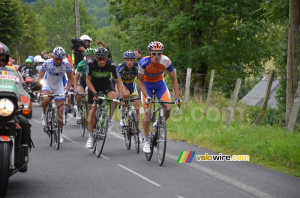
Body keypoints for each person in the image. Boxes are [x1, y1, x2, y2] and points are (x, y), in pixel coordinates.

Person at [138, 41, 180, 153]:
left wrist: (177, 98)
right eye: (154, 54)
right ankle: (146, 139)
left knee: (168, 108)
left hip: (159, 84)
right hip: (146, 85)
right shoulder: (143, 63)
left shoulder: (166, 61)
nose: (156, 56)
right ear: (149, 53)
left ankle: (158, 123)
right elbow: (140, 82)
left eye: (159, 53)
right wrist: (146, 96)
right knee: (147, 110)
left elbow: (174, 80)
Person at [85, 47, 123, 148]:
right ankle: (90, 137)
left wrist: (121, 96)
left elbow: (118, 81)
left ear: (107, 58)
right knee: (92, 110)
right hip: (93, 85)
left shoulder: (111, 65)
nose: (102, 61)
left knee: (114, 98)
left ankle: (108, 119)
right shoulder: (91, 63)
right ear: (96, 58)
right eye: (100, 59)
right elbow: (88, 81)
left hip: (106, 83)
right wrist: (94, 93)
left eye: (104, 59)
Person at [0, 42, 32, 161]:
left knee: (24, 123)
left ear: (7, 59)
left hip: (10, 109)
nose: (1, 63)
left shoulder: (13, 73)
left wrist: (27, 95)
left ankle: (22, 152)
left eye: (3, 60)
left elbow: (21, 88)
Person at [36, 46, 74, 143]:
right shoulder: (47, 63)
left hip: (59, 85)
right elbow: (39, 78)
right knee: (46, 100)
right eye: (57, 59)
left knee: (60, 109)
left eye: (60, 59)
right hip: (47, 83)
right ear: (53, 57)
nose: (58, 61)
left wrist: (67, 89)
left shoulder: (66, 64)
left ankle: (60, 134)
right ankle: (44, 114)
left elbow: (71, 79)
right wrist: (39, 92)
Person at [117, 50, 140, 129]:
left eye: (131, 60)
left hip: (132, 84)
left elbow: (141, 80)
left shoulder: (137, 66)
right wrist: (120, 95)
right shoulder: (121, 67)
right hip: (122, 83)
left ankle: (137, 128)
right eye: (127, 60)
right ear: (124, 60)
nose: (129, 62)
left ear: (134, 60)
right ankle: (123, 116)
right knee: (126, 94)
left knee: (137, 108)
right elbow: (118, 81)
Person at [74, 47, 95, 121]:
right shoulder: (81, 64)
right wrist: (75, 89)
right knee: (79, 94)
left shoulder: (96, 63)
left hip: (92, 81)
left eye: (93, 56)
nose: (91, 58)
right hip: (83, 80)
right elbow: (76, 78)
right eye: (90, 56)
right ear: (86, 57)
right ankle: (78, 108)